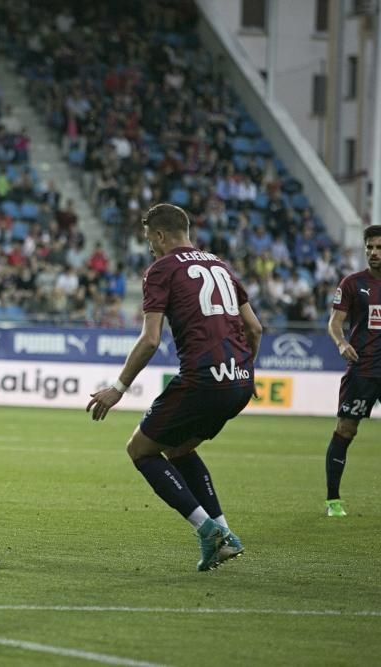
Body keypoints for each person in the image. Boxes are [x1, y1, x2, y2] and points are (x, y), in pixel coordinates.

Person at [86, 203, 262, 571]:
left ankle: (207, 529)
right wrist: (246, 370)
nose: (150, 246)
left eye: (150, 238)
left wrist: (118, 388)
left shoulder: (161, 269)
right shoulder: (221, 265)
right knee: (180, 448)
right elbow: (255, 328)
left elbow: (150, 339)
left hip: (203, 377)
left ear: (162, 235)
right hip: (239, 379)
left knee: (141, 449)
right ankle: (225, 536)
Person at [323, 224, 381, 517]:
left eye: (379, 248)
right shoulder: (352, 283)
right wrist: (341, 343)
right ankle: (333, 500)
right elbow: (334, 323)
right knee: (346, 429)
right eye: (370, 247)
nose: (374, 253)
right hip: (363, 370)